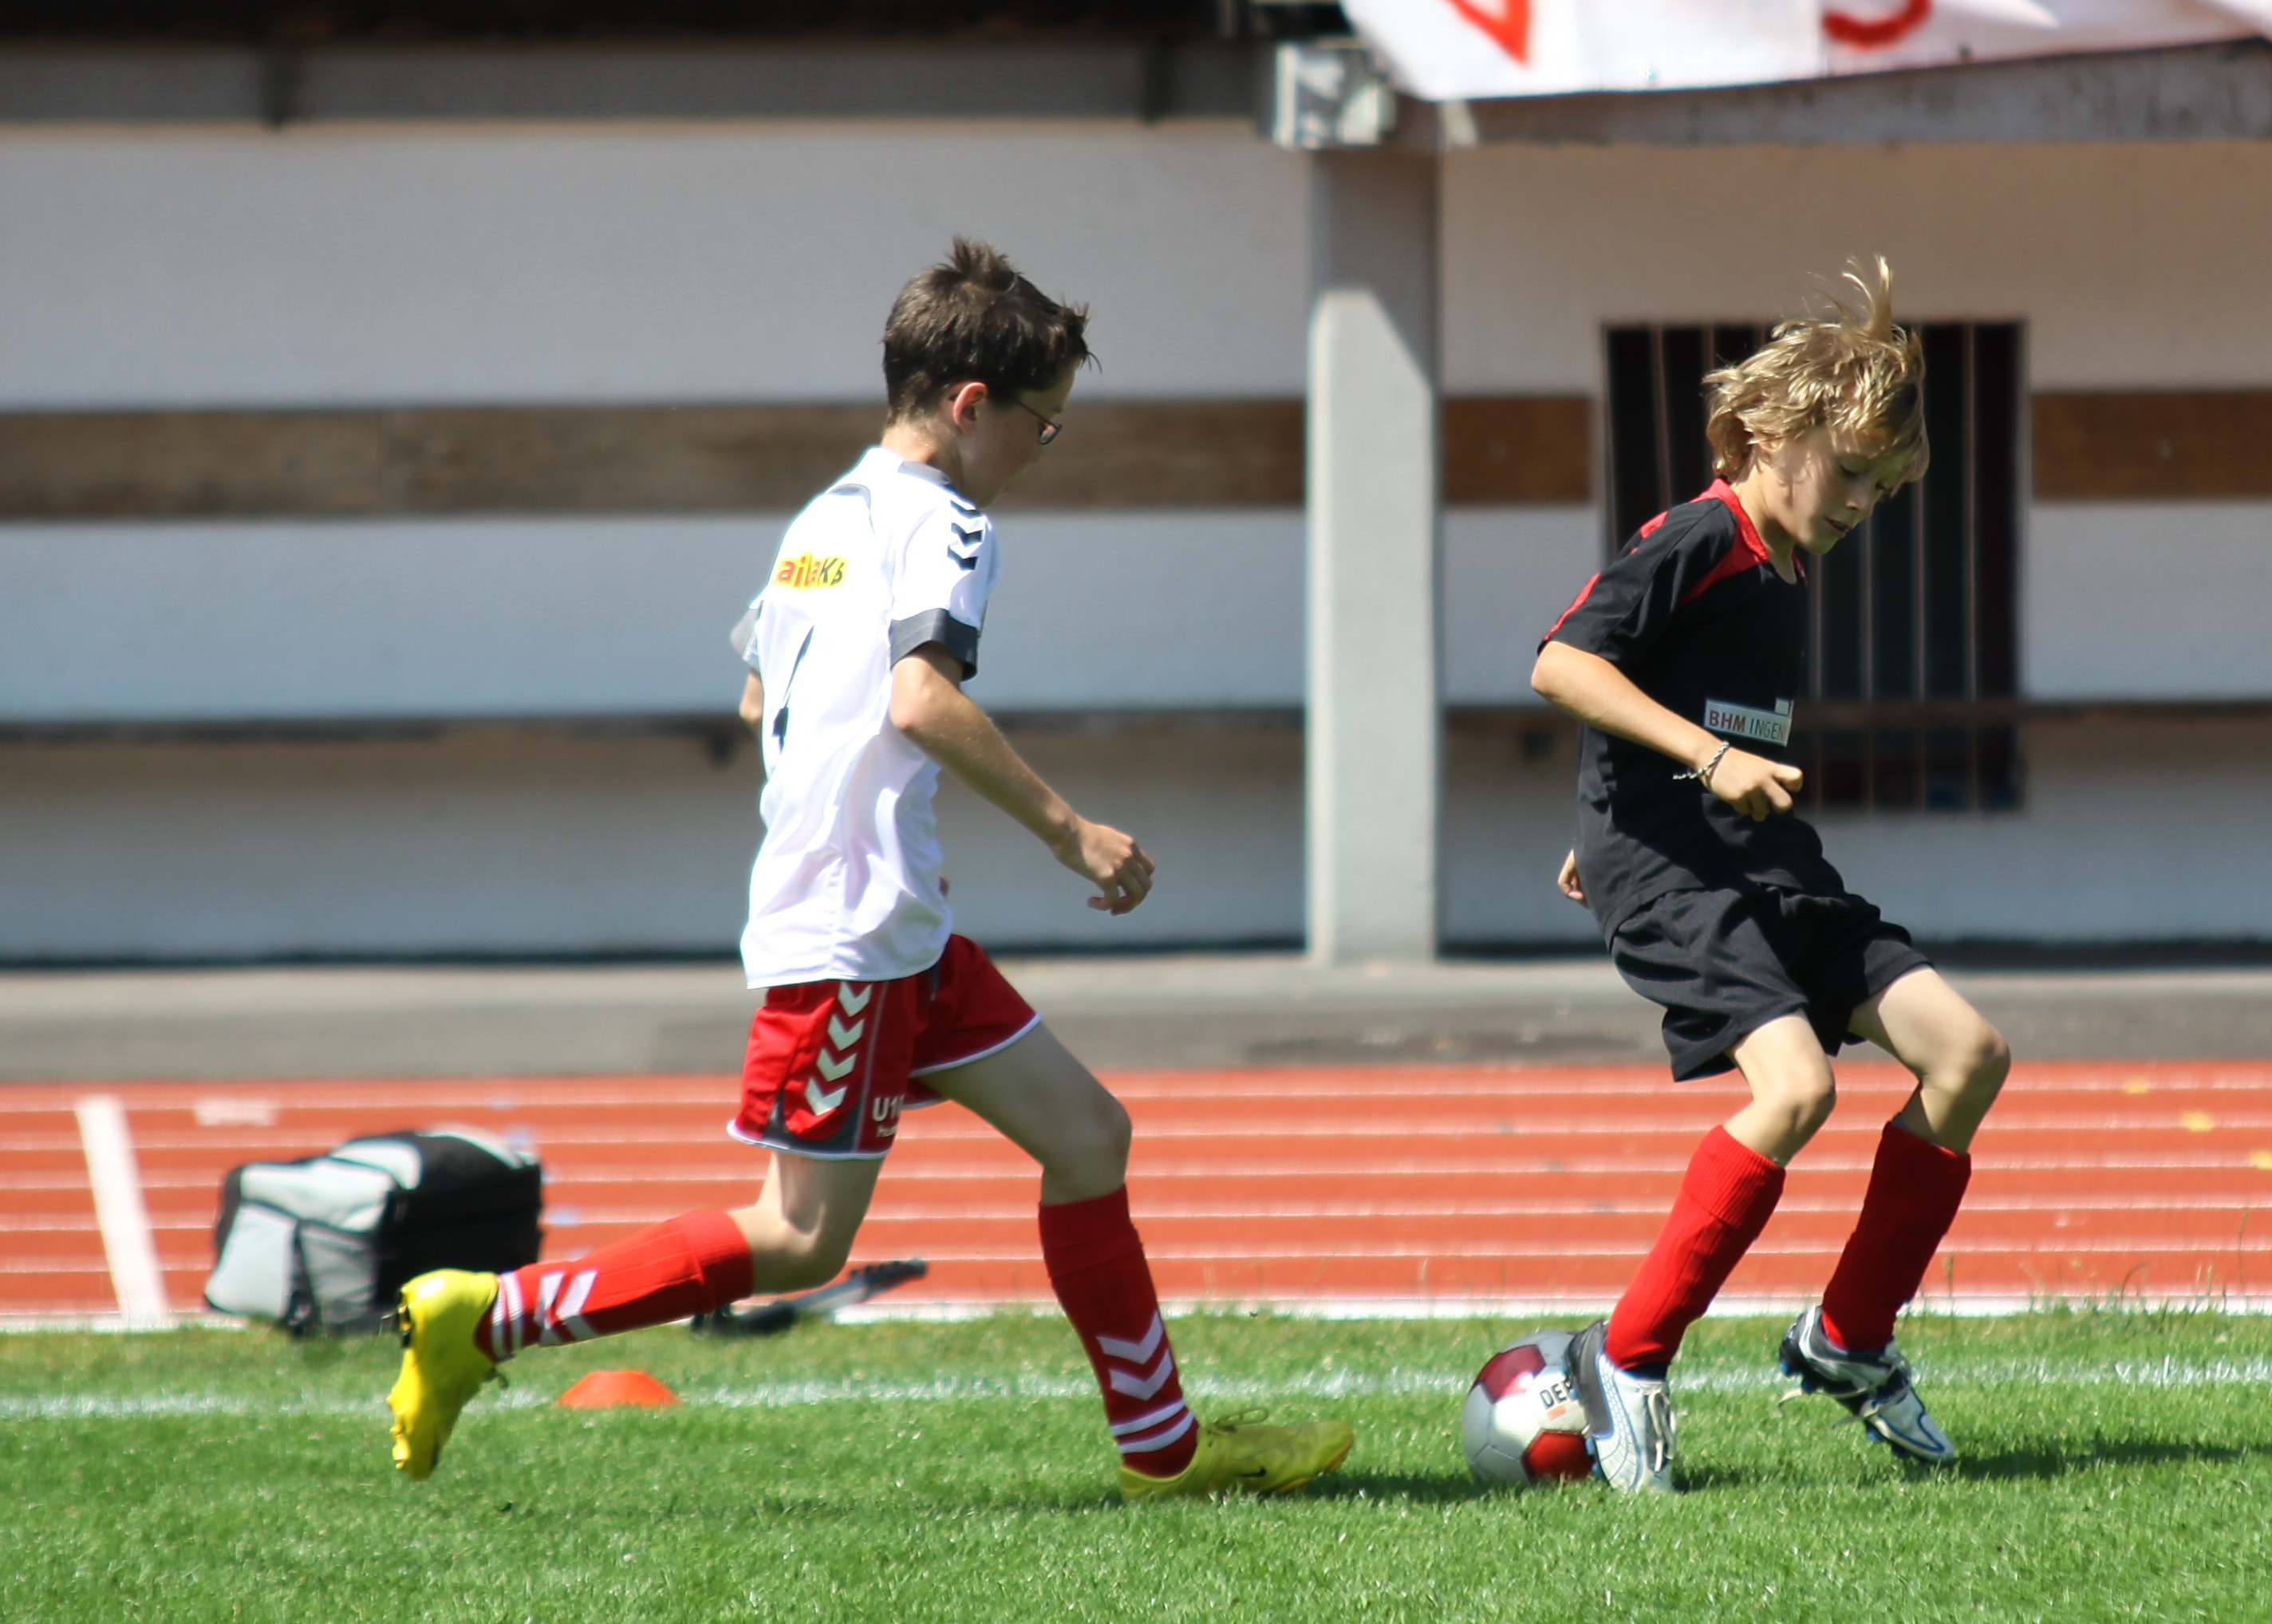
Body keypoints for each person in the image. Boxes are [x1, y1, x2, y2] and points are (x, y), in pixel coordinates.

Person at [384, 238, 1351, 1500]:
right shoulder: (947, 521)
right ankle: (485, 1319)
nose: (1041, 452)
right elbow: (919, 699)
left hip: (900, 927)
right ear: (972, 405)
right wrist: (1073, 832)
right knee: (795, 1238)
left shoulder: (823, 517)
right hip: (854, 931)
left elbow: (756, 690)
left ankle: (1165, 1455)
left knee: (1089, 1136)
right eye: (1043, 425)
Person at [1530, 262, 2010, 1493]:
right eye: (1850, 475)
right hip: (1682, 874)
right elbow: (1566, 663)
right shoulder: (1699, 535)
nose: (1863, 505)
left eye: (1884, 488)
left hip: (1764, 865)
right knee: (1796, 1089)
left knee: (1967, 1055)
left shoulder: (1784, 560)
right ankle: (1623, 1358)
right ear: (1770, 435)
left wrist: (1622, 796)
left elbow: (1669, 696)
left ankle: (1848, 1336)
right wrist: (1681, 778)